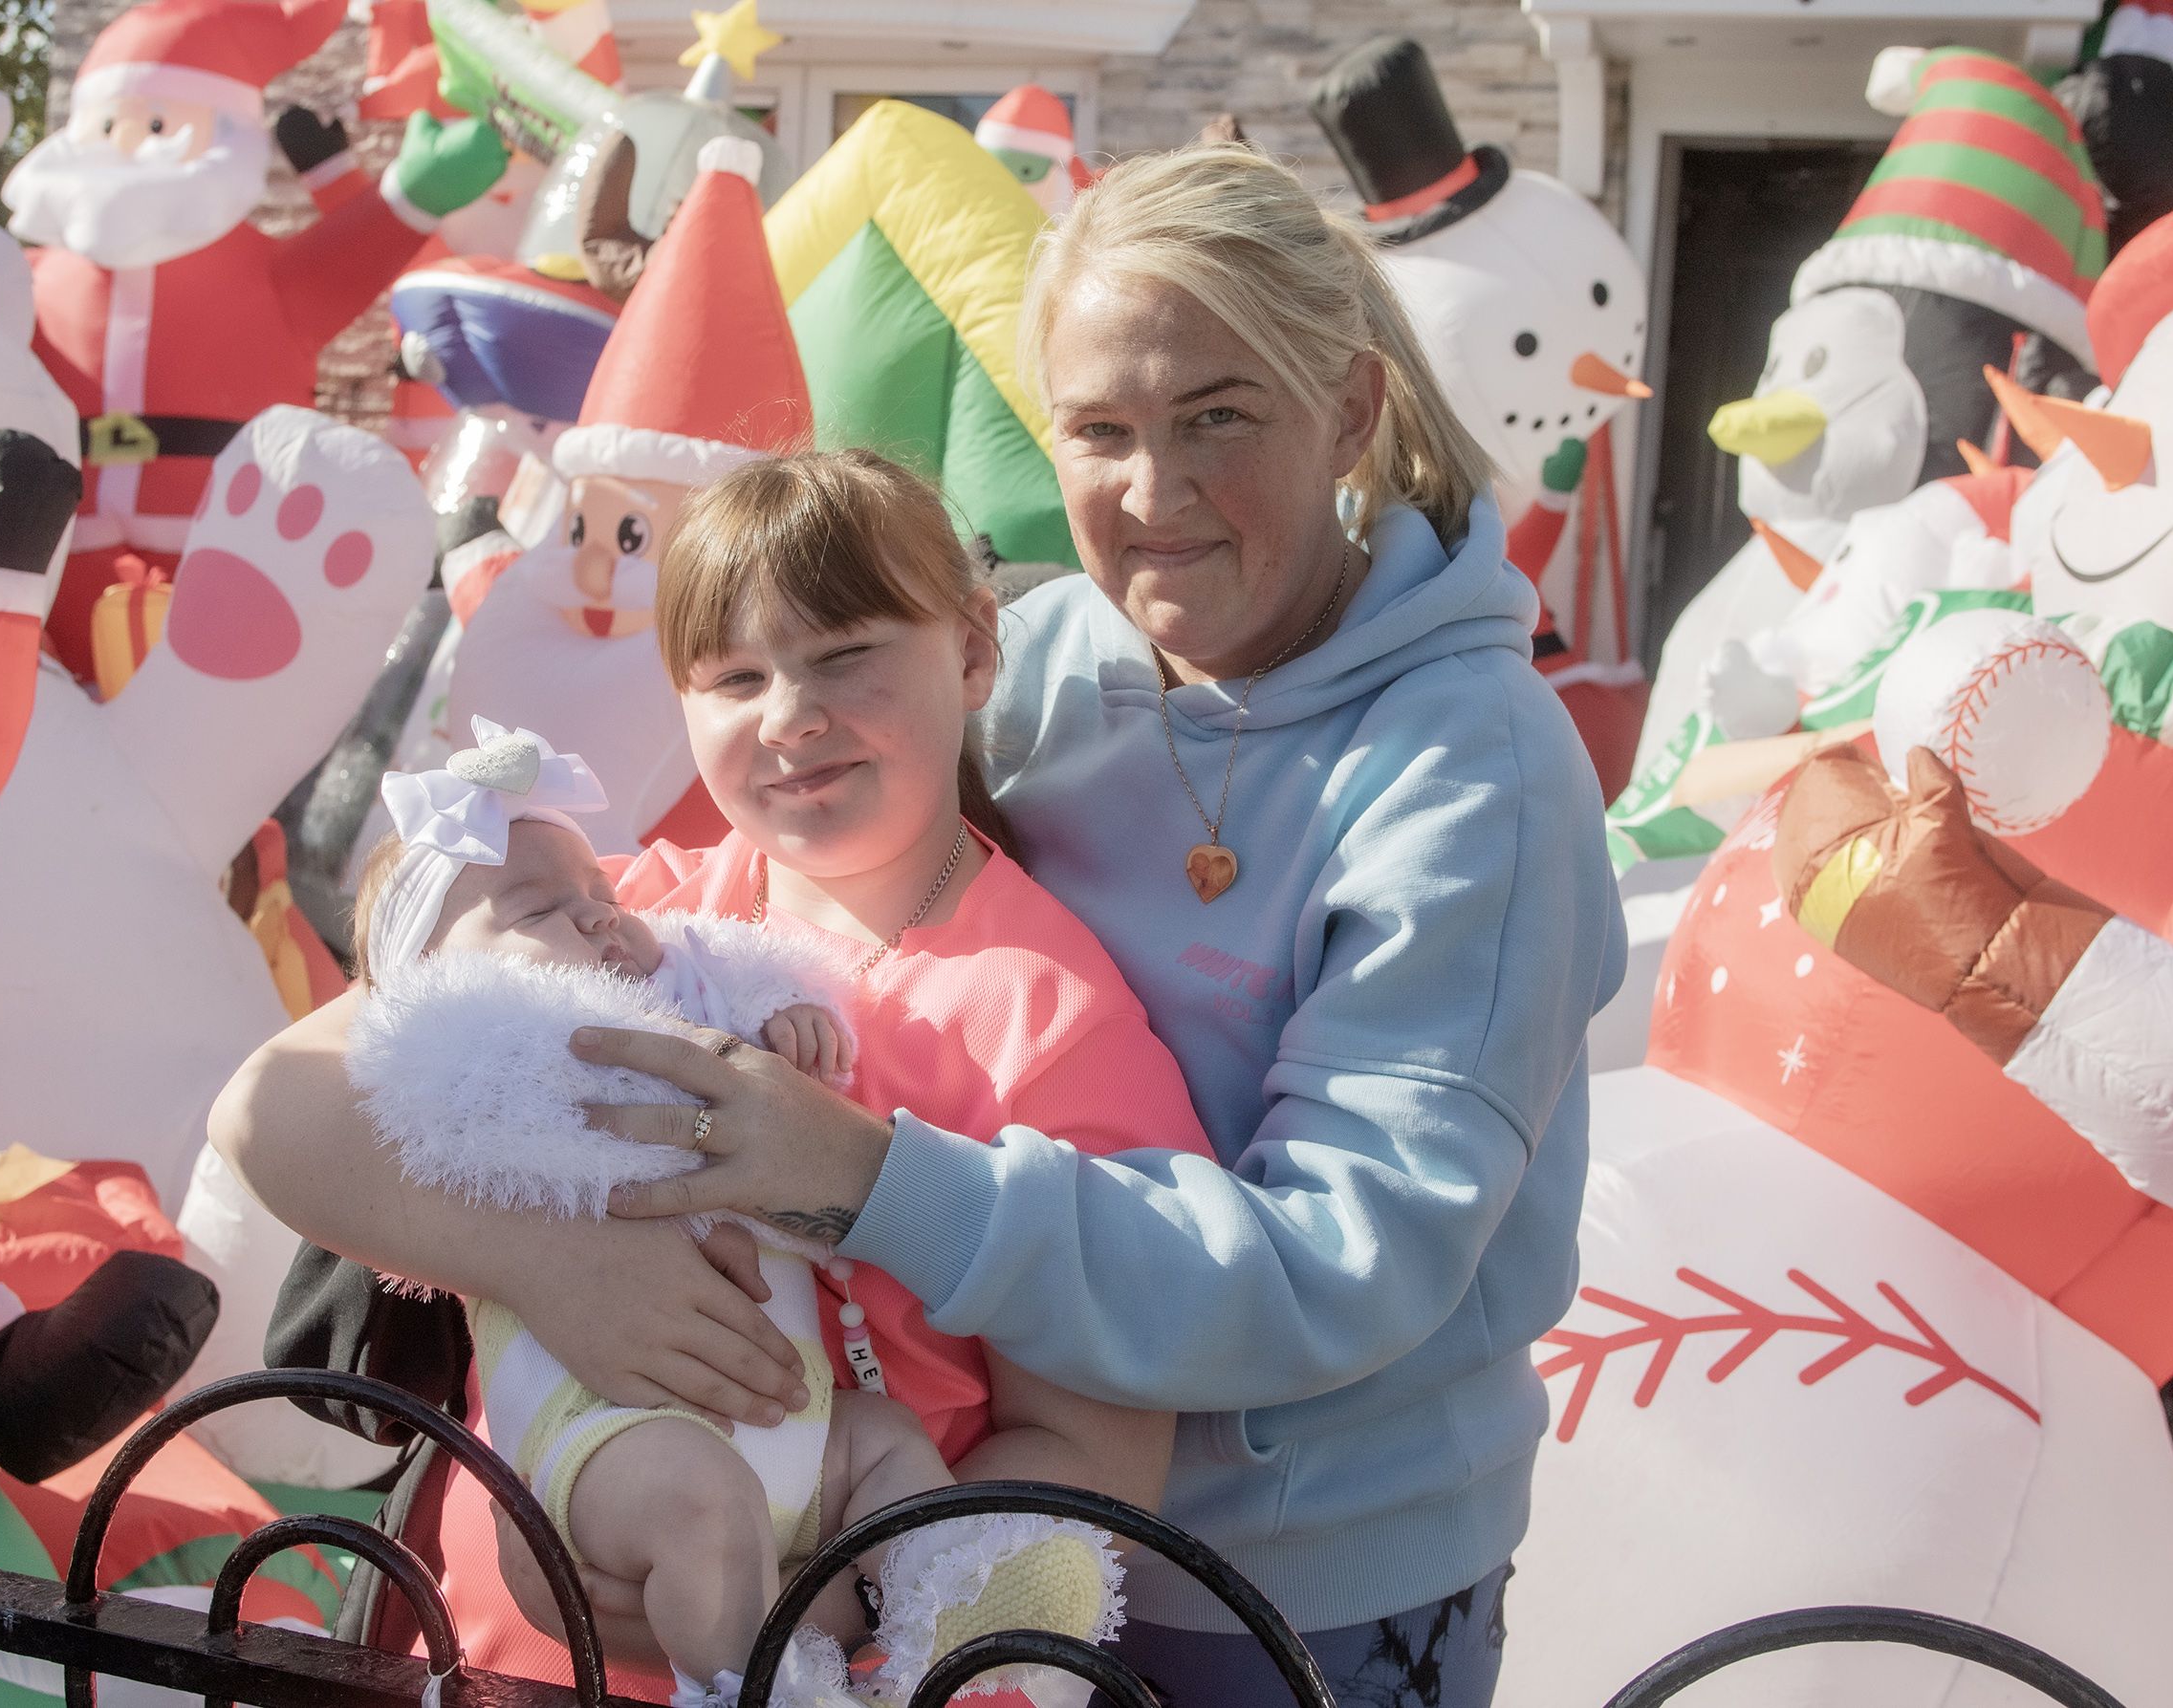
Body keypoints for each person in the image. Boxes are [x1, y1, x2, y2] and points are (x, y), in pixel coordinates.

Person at [555, 144, 1625, 1706]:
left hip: (1294, 1582)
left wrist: (863, 1177)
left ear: (1352, 410)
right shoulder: (1044, 660)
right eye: (1100, 431)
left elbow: (1347, 1258)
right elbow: (745, 903)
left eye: (1218, 417)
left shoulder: (1480, 775)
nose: (1154, 492)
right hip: (947, 1521)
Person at [210, 449, 1206, 1705]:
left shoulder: (1046, 1021)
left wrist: (824, 1602)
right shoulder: (627, 909)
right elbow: (272, 1106)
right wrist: (549, 1261)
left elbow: (1090, 1454)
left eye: (844, 653)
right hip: (485, 1638)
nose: (790, 713)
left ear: (968, 651)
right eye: (735, 675)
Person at [340, 714, 1124, 1708]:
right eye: (539, 908)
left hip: (798, 1425)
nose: (597, 917)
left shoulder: (688, 1008)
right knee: (699, 1501)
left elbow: (789, 1154)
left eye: (600, 894)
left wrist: (781, 1033)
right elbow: (374, 1103)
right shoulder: (475, 1078)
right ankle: (752, 1690)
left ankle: (965, 1593)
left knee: (883, 1440)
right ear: (429, 989)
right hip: (613, 1441)